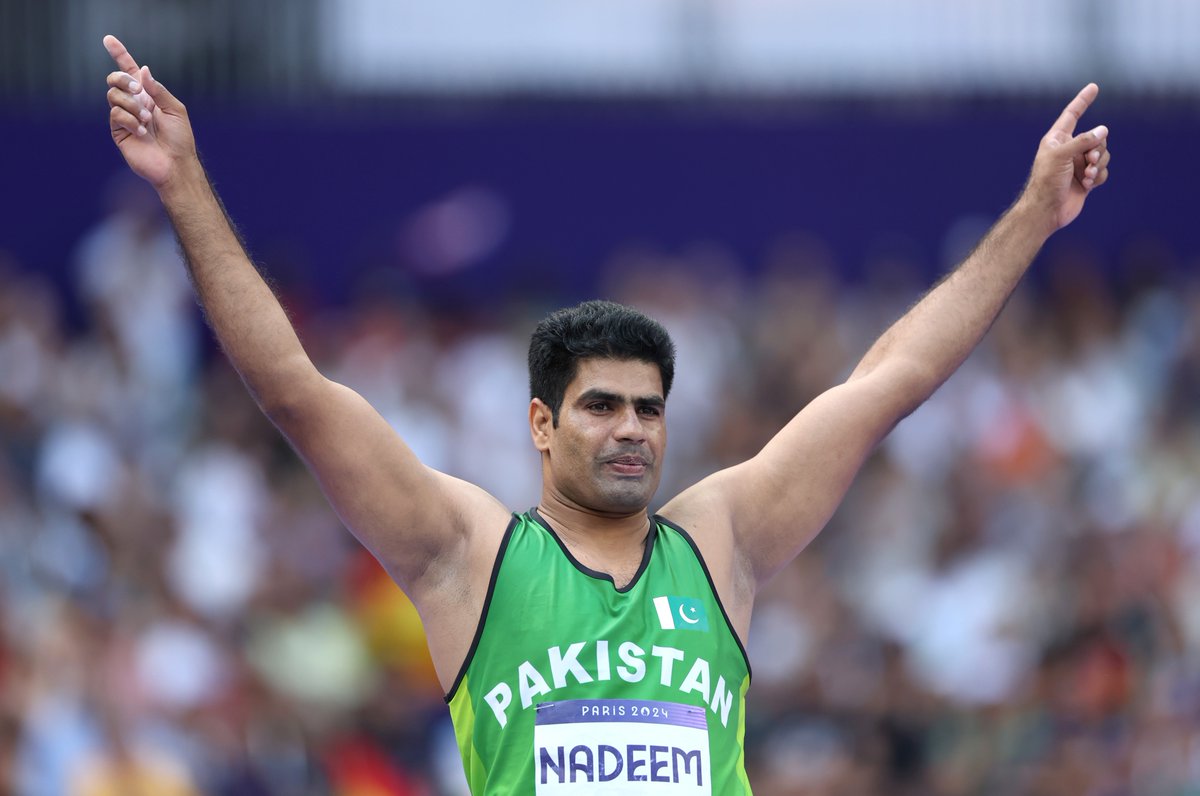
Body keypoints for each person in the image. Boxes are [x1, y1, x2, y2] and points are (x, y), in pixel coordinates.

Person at [102, 33, 1111, 794]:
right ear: (542, 423)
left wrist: (1030, 217)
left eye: (649, 409)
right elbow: (294, 389)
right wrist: (185, 185)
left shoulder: (722, 543)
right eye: (600, 406)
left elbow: (891, 378)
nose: (631, 427)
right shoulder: (472, 555)